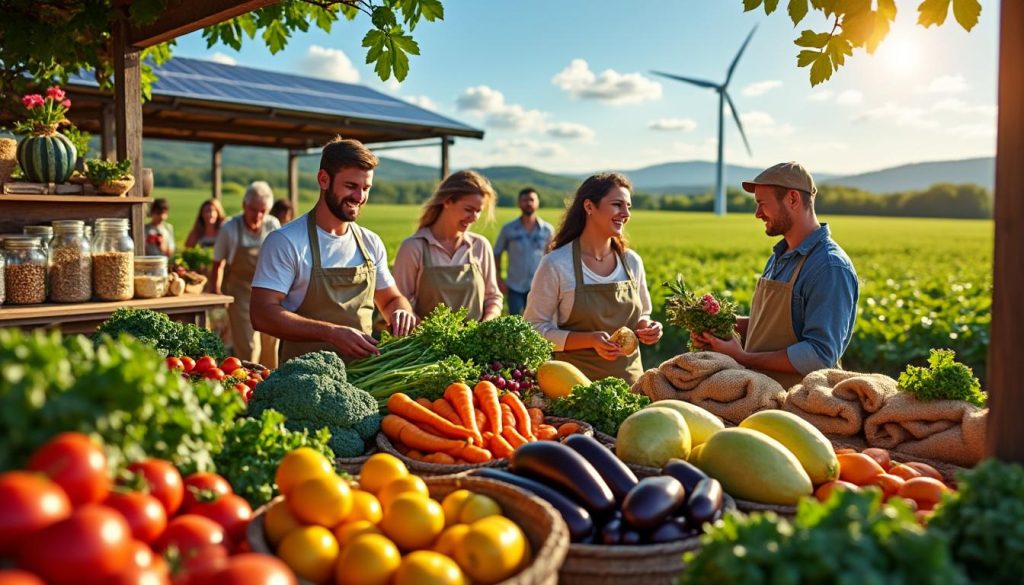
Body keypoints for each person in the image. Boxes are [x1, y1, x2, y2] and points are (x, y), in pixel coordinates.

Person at [250, 137, 417, 363]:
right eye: (351, 186)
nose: (359, 197)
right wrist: (332, 333)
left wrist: (401, 311)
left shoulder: (370, 243)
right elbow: (262, 314)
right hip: (302, 382)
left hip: (365, 379)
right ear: (323, 179)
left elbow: (390, 300)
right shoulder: (285, 241)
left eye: (366, 188)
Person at [695, 161, 859, 388]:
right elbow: (769, 328)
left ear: (792, 199)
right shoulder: (781, 256)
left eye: (762, 204)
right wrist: (722, 324)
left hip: (799, 403)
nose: (757, 214)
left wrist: (742, 357)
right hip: (762, 393)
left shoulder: (829, 266)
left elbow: (819, 355)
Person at [524, 172, 662, 384]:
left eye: (629, 207)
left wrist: (647, 326)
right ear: (589, 207)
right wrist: (589, 340)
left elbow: (643, 312)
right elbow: (534, 329)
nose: (626, 213)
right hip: (574, 391)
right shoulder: (556, 264)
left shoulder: (632, 262)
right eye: (617, 204)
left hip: (632, 385)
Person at [393, 170, 503, 322]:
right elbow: (399, 301)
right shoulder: (414, 247)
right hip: (426, 343)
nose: (474, 218)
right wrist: (430, 334)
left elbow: (493, 297)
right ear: (447, 201)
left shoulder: (480, 246)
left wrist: (487, 325)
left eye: (478, 211)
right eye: (468, 210)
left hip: (474, 344)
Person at [213, 181, 281, 366]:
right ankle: (247, 386)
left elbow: (282, 261)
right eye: (253, 209)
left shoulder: (272, 225)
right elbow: (218, 263)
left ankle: (271, 384)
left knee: (271, 344)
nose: (258, 215)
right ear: (244, 205)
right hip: (241, 292)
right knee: (249, 346)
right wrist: (217, 293)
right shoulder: (230, 228)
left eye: (263, 210)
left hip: (271, 291)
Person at [494, 187, 554, 315]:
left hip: (539, 286)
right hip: (514, 285)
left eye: (532, 200)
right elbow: (497, 253)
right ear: (518, 203)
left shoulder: (548, 230)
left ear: (538, 202)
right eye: (524, 200)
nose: (528, 203)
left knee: (537, 323)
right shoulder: (508, 229)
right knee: (515, 323)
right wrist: (499, 279)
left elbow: (552, 257)